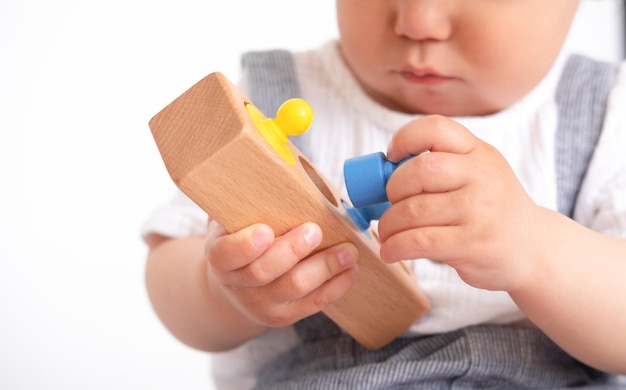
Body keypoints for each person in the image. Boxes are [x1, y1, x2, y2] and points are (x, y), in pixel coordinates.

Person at [142, 1, 626, 388]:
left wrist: (535, 249)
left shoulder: (604, 113)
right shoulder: (273, 100)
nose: (418, 20)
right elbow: (170, 262)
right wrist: (224, 288)